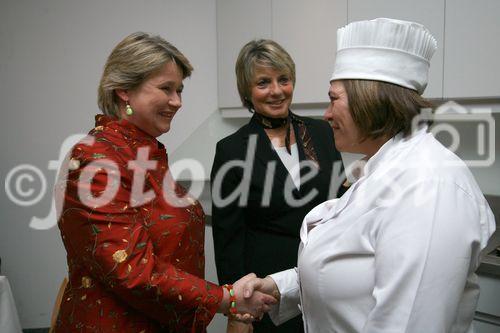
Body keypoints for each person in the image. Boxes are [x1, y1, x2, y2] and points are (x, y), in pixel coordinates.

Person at [241, 18, 496, 332]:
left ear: (369, 101)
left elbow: (407, 323)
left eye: (335, 99)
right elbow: (355, 272)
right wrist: (282, 288)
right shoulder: (381, 169)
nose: (327, 114)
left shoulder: (428, 188)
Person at [53, 32, 275, 333]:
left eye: (180, 90)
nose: (177, 102)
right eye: (166, 89)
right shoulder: (98, 158)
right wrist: (226, 299)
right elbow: (132, 270)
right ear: (123, 92)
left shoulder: (144, 153)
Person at [210, 39, 345, 333]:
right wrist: (240, 308)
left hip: (324, 283)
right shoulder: (232, 150)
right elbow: (228, 238)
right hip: (267, 295)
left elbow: (338, 203)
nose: (276, 91)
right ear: (247, 90)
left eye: (283, 79)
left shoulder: (321, 133)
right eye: (263, 82)